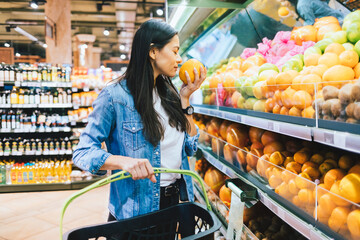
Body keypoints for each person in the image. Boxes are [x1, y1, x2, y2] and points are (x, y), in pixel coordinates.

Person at [72, 19, 206, 221]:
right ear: (153, 52)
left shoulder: (170, 94)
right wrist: (123, 162)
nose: (179, 59)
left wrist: (185, 98)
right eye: (175, 50)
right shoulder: (114, 96)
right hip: (135, 210)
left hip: (173, 203)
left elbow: (190, 147)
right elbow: (82, 152)